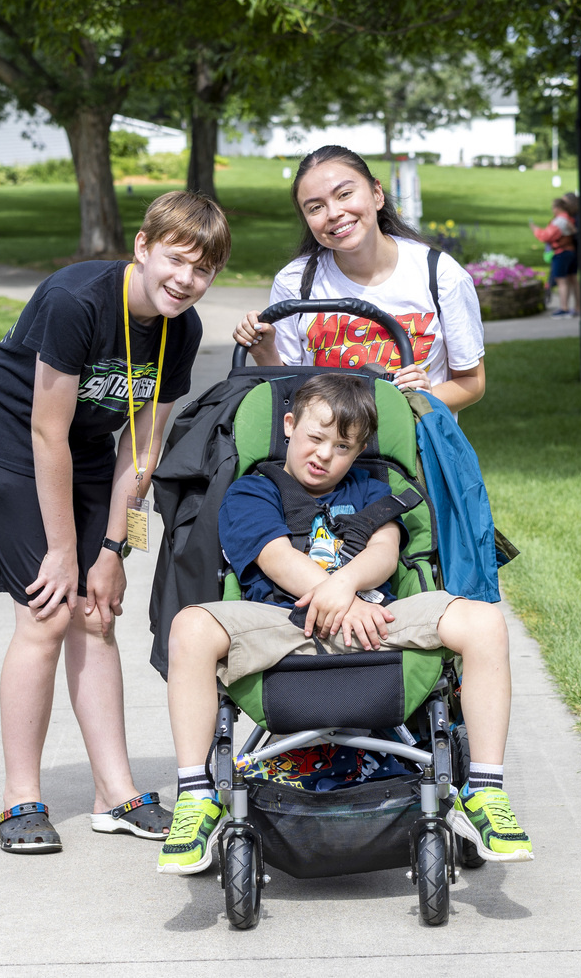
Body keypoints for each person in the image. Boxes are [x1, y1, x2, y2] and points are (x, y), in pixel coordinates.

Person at [156, 373, 532, 874]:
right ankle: (196, 797)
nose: (323, 454)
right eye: (314, 438)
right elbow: (273, 558)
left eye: (342, 447)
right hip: (281, 623)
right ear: (289, 426)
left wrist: (347, 588)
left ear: (358, 453)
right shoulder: (252, 490)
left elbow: (384, 551)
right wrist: (338, 597)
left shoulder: (375, 488)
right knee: (190, 627)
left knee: (483, 621)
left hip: (377, 617)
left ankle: (484, 791)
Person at [0, 191, 230, 854]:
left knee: (97, 612)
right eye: (175, 260)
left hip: (86, 451)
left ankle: (115, 792)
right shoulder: (76, 299)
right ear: (142, 246)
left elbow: (142, 446)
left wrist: (113, 548)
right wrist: (62, 549)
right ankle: (19, 798)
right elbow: (45, 430)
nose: (185, 280)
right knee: (49, 609)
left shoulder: (182, 329)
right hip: (13, 436)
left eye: (202, 271)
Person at [232, 145, 486, 413]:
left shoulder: (440, 275)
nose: (333, 213)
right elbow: (287, 392)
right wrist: (264, 351)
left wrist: (426, 396)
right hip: (325, 450)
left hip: (413, 448)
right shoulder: (294, 282)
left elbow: (472, 382)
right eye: (315, 207)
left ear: (377, 194)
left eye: (344, 194)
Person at [532, 193, 580, 317]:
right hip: (570, 252)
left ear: (558, 208)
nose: (552, 210)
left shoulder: (560, 221)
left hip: (561, 253)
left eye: (553, 207)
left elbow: (546, 236)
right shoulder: (569, 219)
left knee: (561, 281)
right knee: (570, 280)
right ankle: (574, 307)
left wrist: (535, 229)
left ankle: (564, 308)